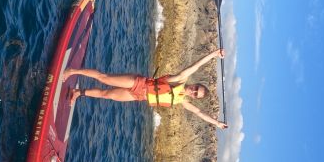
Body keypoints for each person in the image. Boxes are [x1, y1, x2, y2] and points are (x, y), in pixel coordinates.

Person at [64, 48, 228, 129]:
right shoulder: (180, 80)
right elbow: (196, 66)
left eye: (195, 94)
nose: (193, 91)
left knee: (105, 94)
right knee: (104, 78)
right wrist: (214, 54)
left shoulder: (182, 101)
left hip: (138, 96)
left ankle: (78, 93)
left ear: (194, 97)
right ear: (194, 84)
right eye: (196, 88)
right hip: (139, 83)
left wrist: (217, 123)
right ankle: (73, 71)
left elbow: (199, 113)